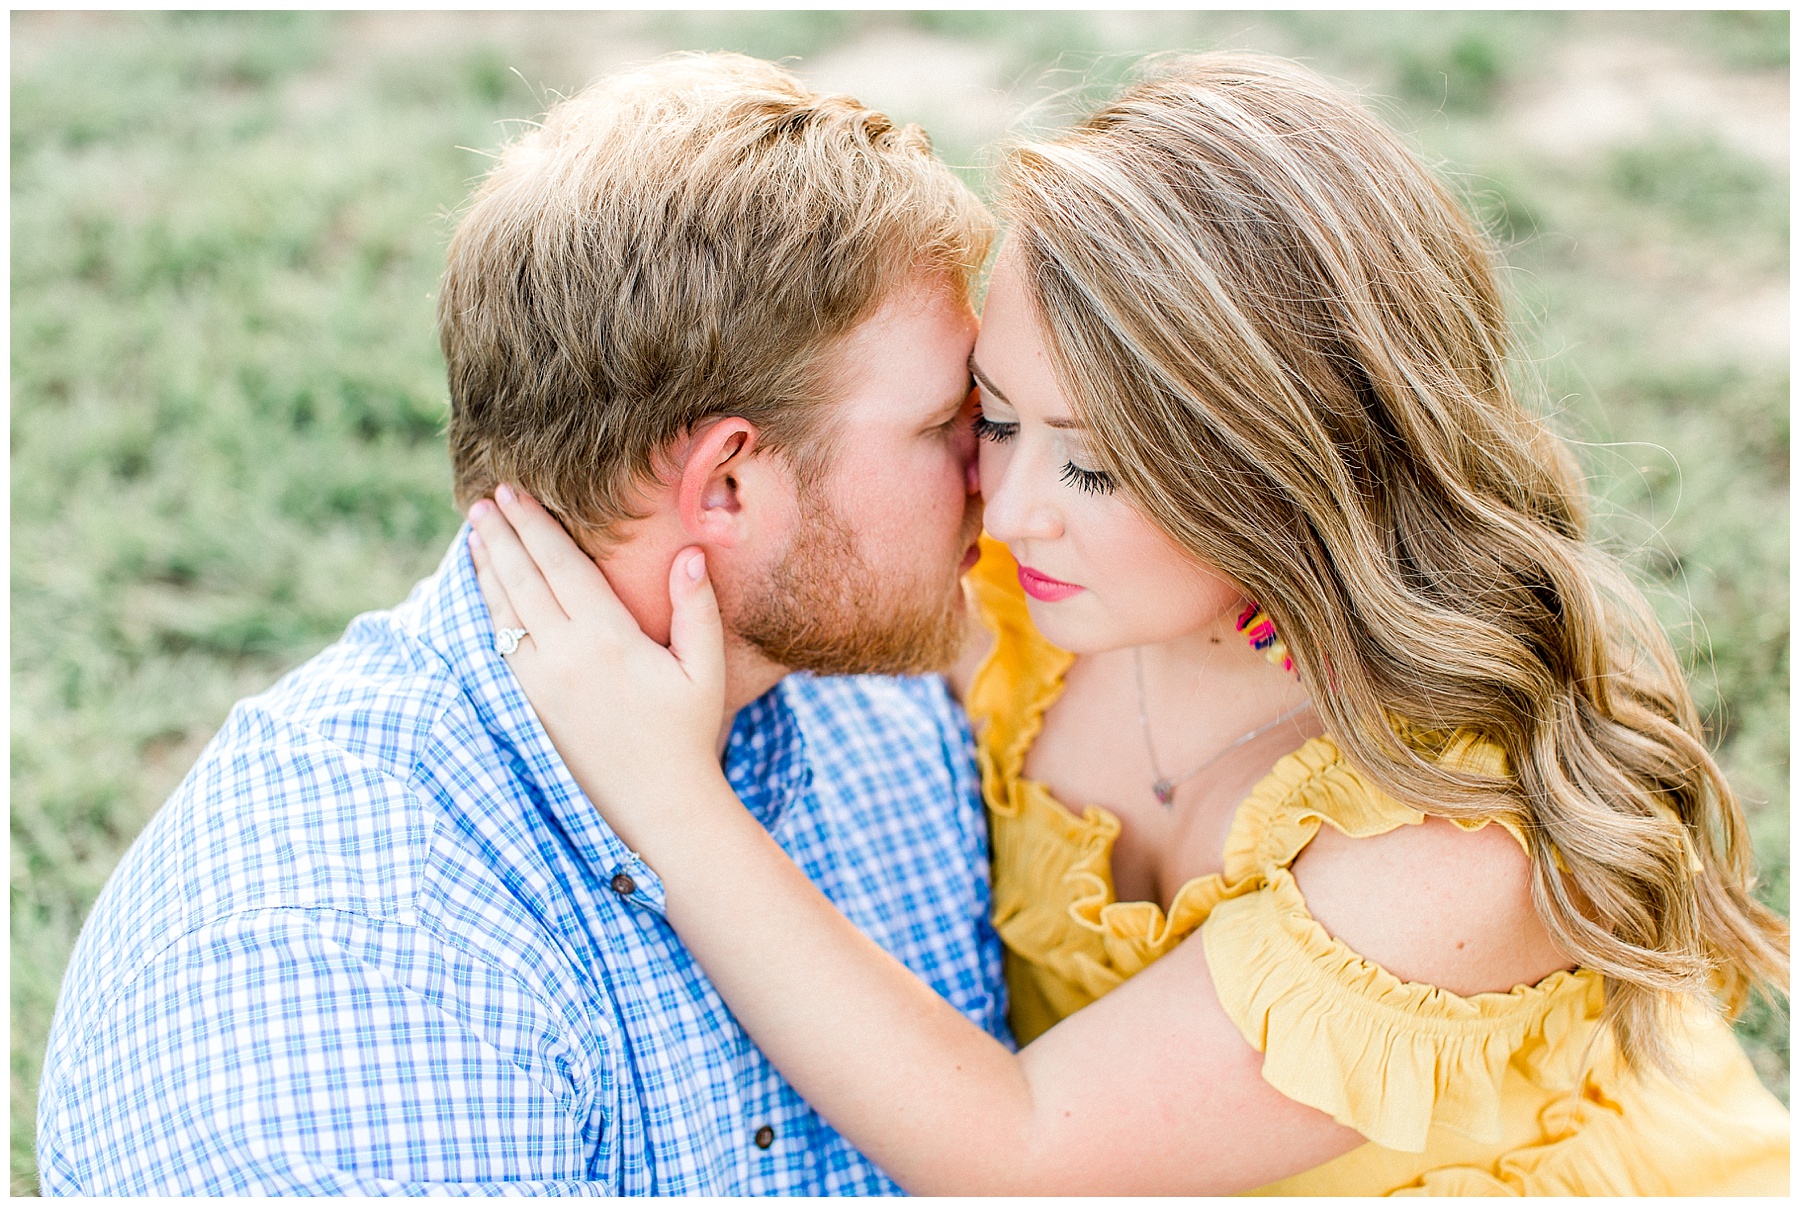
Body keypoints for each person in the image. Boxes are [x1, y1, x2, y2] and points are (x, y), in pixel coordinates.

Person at [468, 52, 1791, 1195]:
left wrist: (669, 797)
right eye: (992, 416)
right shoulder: (1029, 611)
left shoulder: (1449, 839)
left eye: (1096, 465)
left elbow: (1024, 1151)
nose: (1008, 509)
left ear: (1290, 466)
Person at [36, 53, 1013, 1195]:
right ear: (728, 485)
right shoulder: (337, 967)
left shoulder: (884, 710)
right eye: (947, 423)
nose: (993, 475)